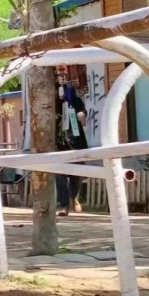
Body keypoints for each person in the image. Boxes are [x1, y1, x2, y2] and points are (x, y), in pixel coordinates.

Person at [55, 82, 88, 216]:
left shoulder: (76, 100)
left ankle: (73, 197)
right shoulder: (52, 102)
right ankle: (64, 205)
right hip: (59, 143)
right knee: (60, 174)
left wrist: (81, 114)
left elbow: (84, 112)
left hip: (76, 141)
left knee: (77, 173)